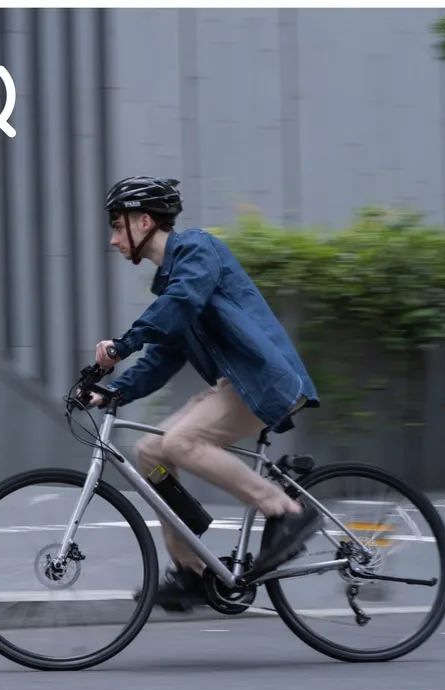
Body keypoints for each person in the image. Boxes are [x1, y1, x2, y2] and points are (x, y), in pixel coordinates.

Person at [90, 175, 321, 611]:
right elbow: (164, 355)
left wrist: (123, 344)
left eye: (118, 226)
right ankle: (192, 571)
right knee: (150, 453)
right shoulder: (172, 281)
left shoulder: (198, 250)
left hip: (263, 381)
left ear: (143, 222)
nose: (113, 239)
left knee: (182, 441)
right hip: (236, 386)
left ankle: (286, 511)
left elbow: (181, 302)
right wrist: (113, 391)